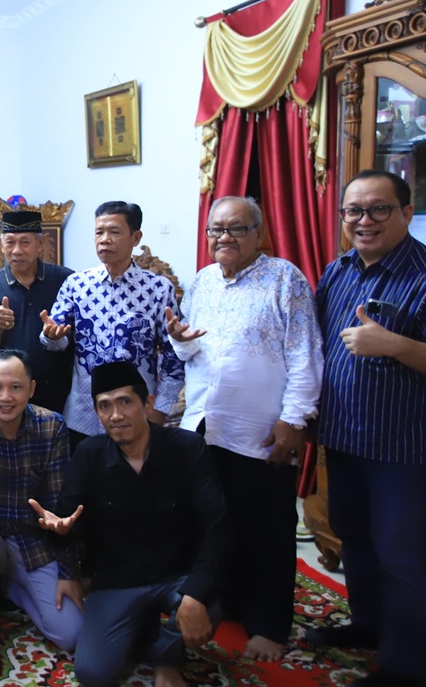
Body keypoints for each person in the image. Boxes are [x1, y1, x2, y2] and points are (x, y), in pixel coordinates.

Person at [168, 196, 322, 661]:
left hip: (262, 431)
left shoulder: (285, 279)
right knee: (215, 523)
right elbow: (189, 352)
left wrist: (294, 420)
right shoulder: (202, 281)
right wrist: (178, 340)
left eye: (236, 228)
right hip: (206, 425)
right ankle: (227, 603)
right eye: (216, 229)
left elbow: (305, 354)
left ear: (259, 234)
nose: (224, 237)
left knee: (268, 527)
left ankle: (269, 624)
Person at [31, 361, 227, 687]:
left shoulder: (186, 448)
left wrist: (194, 593)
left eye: (125, 402)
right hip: (118, 580)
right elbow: (70, 523)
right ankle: (144, 630)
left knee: (207, 605)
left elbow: (216, 527)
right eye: (104, 406)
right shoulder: (89, 455)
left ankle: (166, 659)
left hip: (175, 575)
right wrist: (62, 532)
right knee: (93, 674)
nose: (116, 415)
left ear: (147, 403)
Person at [309, 169, 426, 686]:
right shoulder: (338, 271)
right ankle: (369, 627)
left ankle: (405, 666)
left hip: (402, 447)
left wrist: (394, 345)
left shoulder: (422, 274)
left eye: (379, 209)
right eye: (353, 211)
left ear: (405, 211)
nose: (364, 220)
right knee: (354, 538)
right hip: (342, 439)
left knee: (402, 558)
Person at [0, 348, 82, 662]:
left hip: (32, 541)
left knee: (71, 635)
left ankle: (12, 588)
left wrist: (66, 557)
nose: (6, 397)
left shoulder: (52, 426)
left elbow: (58, 504)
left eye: (16, 387)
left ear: (31, 389)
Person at [40, 201, 183, 446]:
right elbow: (55, 341)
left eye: (114, 232)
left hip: (137, 416)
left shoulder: (158, 289)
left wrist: (161, 409)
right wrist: (51, 336)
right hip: (84, 415)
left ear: (135, 238)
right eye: (99, 232)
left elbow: (174, 356)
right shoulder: (77, 284)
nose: (104, 240)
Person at [0, 210, 75, 414]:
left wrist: (57, 335)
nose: (17, 251)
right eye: (10, 242)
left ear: (40, 244)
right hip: (12, 393)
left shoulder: (65, 279)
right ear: (1, 244)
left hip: (61, 388)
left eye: (25, 242)